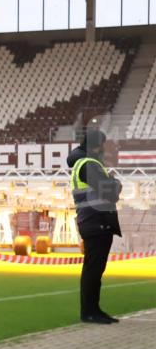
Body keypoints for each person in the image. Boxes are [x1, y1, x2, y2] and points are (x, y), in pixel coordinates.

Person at [66, 129, 122, 324]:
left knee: (95, 269)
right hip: (96, 220)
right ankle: (89, 312)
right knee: (93, 270)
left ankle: (93, 310)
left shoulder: (84, 163)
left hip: (93, 220)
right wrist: (115, 182)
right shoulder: (89, 165)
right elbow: (110, 193)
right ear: (96, 146)